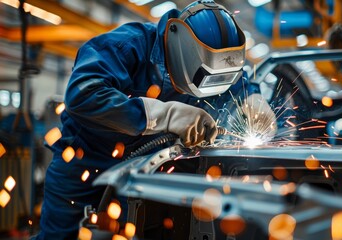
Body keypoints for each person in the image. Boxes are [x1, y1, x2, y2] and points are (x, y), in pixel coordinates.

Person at [32, 0, 276, 239]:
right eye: (207, 77)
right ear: (182, 52)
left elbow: (238, 83)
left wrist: (253, 101)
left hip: (150, 170)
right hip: (84, 166)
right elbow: (83, 95)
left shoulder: (216, 62)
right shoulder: (127, 46)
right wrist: (164, 115)